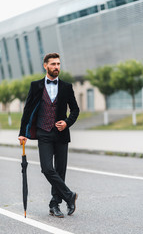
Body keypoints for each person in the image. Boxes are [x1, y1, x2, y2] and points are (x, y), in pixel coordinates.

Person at [18, 53, 80, 218]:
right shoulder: (36, 86)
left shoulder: (67, 87)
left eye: (58, 64)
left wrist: (67, 122)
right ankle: (69, 195)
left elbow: (75, 109)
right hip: (43, 132)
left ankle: (55, 204)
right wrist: (22, 133)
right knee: (47, 168)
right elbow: (28, 110)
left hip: (61, 134)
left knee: (60, 170)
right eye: (53, 64)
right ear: (45, 65)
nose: (56, 67)